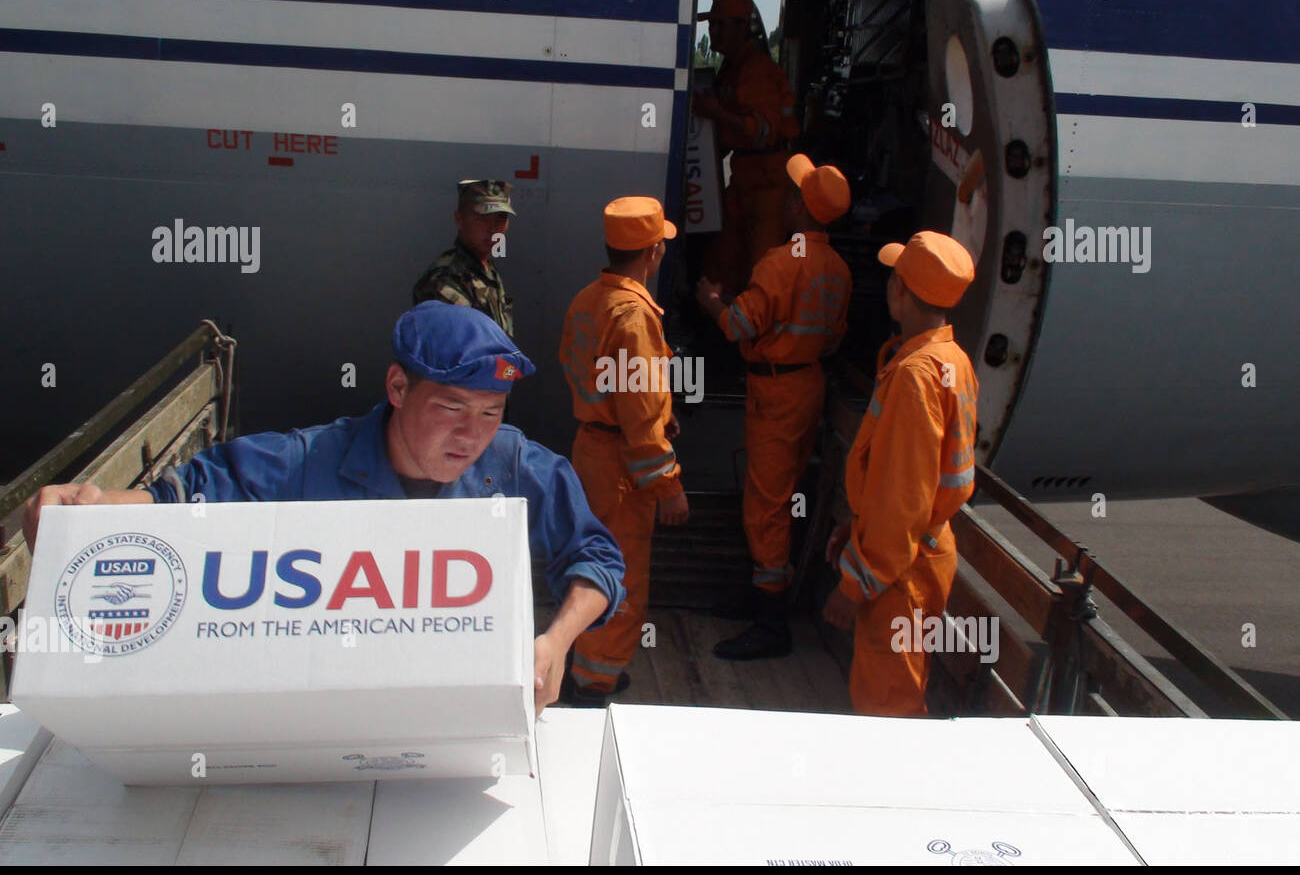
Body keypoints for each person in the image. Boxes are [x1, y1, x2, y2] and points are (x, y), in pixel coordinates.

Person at [22, 302, 626, 715]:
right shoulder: (307, 461)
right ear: (396, 389)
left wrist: (558, 638)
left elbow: (595, 555)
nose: (473, 435)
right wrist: (94, 505)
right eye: (450, 408)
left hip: (454, 720)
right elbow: (184, 496)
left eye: (491, 412)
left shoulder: (518, 464)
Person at [696, 155, 852, 659]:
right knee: (779, 497)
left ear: (801, 209)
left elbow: (738, 327)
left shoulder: (781, 262)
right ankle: (763, 595)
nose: (784, 200)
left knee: (766, 505)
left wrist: (712, 302)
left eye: (793, 194)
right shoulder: (838, 269)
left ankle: (770, 623)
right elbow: (832, 339)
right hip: (806, 386)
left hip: (777, 392)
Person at [822, 231, 978, 717]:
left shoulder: (915, 376)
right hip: (917, 555)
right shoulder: (950, 360)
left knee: (888, 706)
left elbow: (903, 499)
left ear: (900, 291)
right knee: (897, 689)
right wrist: (858, 526)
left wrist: (855, 584)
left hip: (899, 573)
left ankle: (889, 790)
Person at [558, 197, 690, 705]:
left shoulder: (588, 300)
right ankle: (594, 685)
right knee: (621, 574)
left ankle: (585, 667)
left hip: (592, 452)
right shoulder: (634, 317)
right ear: (653, 252)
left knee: (587, 561)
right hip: (620, 470)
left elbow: (592, 375)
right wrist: (669, 488)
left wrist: (657, 410)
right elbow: (639, 424)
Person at [693, 0, 800, 297]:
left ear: (742, 28)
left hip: (768, 184)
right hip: (743, 178)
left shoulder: (758, 71)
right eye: (711, 25)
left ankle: (761, 337)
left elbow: (763, 131)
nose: (713, 32)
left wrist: (714, 112)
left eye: (720, 25)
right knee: (723, 260)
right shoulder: (731, 69)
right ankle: (724, 324)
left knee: (763, 267)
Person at [412, 179, 516, 337]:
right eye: (482, 218)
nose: (493, 228)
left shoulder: (485, 267)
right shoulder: (445, 279)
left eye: (500, 218)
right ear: (459, 219)